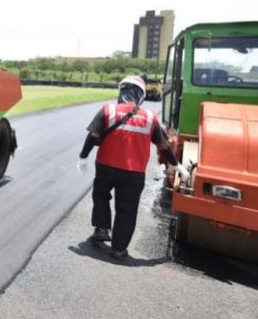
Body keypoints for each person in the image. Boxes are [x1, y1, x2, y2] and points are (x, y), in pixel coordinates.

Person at [77, 75, 190, 259]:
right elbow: (164, 146)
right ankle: (119, 249)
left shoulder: (108, 110)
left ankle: (102, 229)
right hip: (134, 173)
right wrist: (177, 166)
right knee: (127, 209)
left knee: (100, 195)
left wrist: (83, 157)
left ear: (121, 91)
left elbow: (92, 135)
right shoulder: (150, 118)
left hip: (106, 167)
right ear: (141, 96)